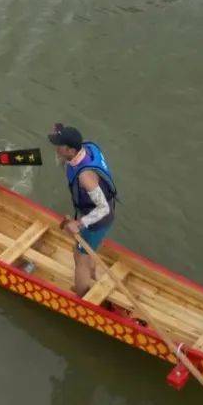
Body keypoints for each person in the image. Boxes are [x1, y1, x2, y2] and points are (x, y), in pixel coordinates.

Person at [48, 123, 117, 296]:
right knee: (85, 251)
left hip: (99, 219)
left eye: (59, 146)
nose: (56, 148)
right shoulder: (85, 147)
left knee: (80, 258)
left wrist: (80, 223)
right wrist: (59, 130)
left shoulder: (85, 177)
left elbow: (103, 208)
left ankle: (81, 295)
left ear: (71, 150)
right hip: (94, 211)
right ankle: (92, 275)